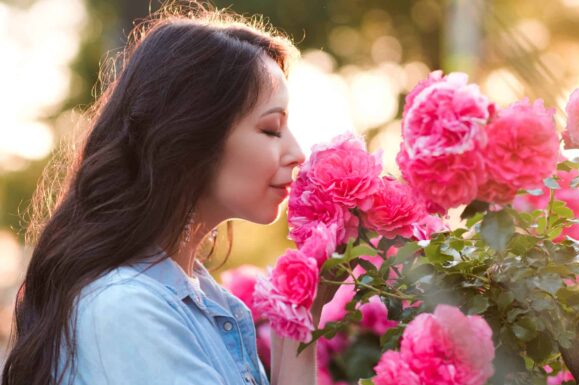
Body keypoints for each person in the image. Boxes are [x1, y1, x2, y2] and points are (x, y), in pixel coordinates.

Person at [2, 3, 332, 385]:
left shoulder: (208, 303)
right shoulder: (127, 308)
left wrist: (296, 317)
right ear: (191, 138)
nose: (298, 153)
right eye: (272, 129)